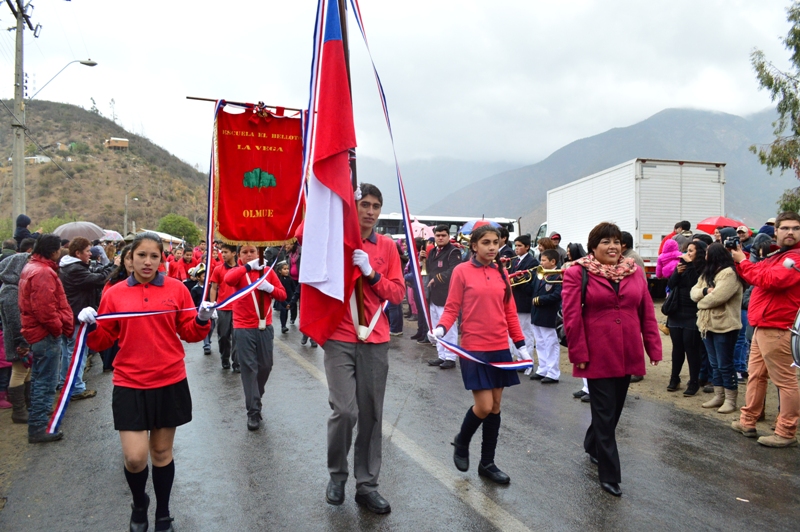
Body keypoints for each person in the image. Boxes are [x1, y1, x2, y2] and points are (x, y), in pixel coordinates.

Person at [80, 231, 212, 532]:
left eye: (155, 256)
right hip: (130, 383)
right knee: (136, 458)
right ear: (130, 259)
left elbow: (189, 333)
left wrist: (203, 319)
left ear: (162, 260)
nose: (148, 261)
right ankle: (140, 503)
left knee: (162, 453)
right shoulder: (113, 294)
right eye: (142, 255)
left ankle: (163, 513)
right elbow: (103, 340)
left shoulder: (177, 290)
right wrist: (89, 326)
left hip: (169, 380)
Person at [562, 222, 661, 497]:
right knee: (605, 413)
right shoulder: (577, 272)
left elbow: (647, 312)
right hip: (597, 353)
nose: (613, 246)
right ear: (593, 247)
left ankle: (592, 443)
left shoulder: (635, 272)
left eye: (616, 241)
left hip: (628, 351)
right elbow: (571, 316)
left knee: (614, 410)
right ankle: (609, 474)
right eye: (606, 242)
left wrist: (653, 347)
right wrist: (578, 353)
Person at [322, 183, 405, 514]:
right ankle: (337, 475)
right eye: (364, 204)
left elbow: (397, 294)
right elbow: (303, 231)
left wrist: (372, 274)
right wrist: (337, 198)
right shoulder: (335, 239)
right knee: (345, 410)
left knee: (371, 414)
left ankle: (367, 485)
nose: (370, 211)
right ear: (352, 207)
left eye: (376, 206)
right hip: (339, 337)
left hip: (375, 338)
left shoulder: (386, 247)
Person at [430, 223, 528, 485]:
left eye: (496, 242)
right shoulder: (461, 272)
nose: (492, 247)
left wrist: (520, 345)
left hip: (499, 348)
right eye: (486, 242)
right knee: (483, 406)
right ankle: (462, 441)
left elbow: (510, 313)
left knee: (495, 407)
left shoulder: (501, 272)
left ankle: (487, 463)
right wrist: (441, 328)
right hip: (474, 348)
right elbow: (451, 308)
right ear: (474, 246)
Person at [731, 212, 800, 447]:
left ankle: (786, 431)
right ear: (777, 231)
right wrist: (740, 260)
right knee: (756, 375)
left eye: (796, 228)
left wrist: (743, 261)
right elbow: (755, 277)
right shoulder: (778, 255)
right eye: (785, 228)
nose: (790, 232)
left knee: (785, 381)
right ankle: (748, 420)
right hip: (762, 324)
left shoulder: (795, 259)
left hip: (780, 326)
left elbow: (771, 280)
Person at [18, 234, 74, 443]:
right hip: (45, 334)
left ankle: (39, 421)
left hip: (37, 332)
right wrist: (59, 328)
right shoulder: (42, 273)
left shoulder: (31, 268)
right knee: (45, 381)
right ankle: (39, 427)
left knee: (41, 379)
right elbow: (45, 310)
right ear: (53, 251)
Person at [224, 245, 287, 431]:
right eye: (245, 252)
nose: (249, 255)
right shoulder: (239, 272)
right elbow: (228, 280)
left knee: (266, 366)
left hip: (264, 325)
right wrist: (249, 267)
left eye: (252, 251)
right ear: (239, 256)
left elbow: (282, 295)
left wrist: (269, 288)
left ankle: (255, 397)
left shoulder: (268, 272)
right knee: (249, 369)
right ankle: (253, 411)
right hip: (243, 327)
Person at [690, 243, 744, 414]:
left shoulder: (729, 274)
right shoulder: (708, 273)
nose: (705, 254)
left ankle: (730, 399)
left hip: (725, 326)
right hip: (707, 325)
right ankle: (718, 395)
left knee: (725, 364)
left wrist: (700, 302)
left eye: (707, 252)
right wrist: (705, 291)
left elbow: (718, 297)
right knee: (714, 363)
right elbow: (693, 292)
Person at [58, 237, 114, 401]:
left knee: (68, 352)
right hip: (77, 317)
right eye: (88, 251)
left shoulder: (70, 266)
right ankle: (75, 388)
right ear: (78, 253)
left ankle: (65, 383)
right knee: (76, 353)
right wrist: (115, 266)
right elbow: (97, 279)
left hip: (70, 315)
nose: (90, 254)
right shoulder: (74, 269)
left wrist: (110, 265)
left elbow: (94, 274)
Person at [665, 241, 707, 395]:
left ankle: (694, 381)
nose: (687, 254)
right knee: (677, 348)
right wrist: (677, 272)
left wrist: (689, 265)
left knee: (691, 348)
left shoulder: (703, 268)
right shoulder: (681, 266)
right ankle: (674, 378)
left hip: (692, 313)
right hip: (677, 311)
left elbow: (694, 284)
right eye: (687, 251)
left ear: (699, 253)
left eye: (691, 251)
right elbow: (671, 284)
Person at [424, 224, 463, 369]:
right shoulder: (433, 251)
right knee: (436, 327)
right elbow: (430, 269)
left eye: (443, 235)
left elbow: (455, 269)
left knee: (449, 328)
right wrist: (423, 260)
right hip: (434, 294)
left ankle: (451, 357)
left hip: (447, 294)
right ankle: (441, 355)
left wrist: (439, 278)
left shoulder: (453, 251)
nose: (440, 238)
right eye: (438, 235)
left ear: (448, 236)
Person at [0, 250, 32, 423]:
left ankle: (28, 406)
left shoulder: (15, 288)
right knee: (19, 371)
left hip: (21, 338)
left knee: (25, 371)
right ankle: (19, 411)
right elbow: (14, 321)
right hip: (17, 339)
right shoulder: (10, 291)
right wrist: (22, 342)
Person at [529, 249, 562, 383]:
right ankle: (543, 368)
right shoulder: (541, 274)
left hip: (549, 314)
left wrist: (540, 300)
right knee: (541, 343)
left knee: (550, 343)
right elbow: (533, 289)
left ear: (553, 262)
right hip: (537, 313)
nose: (540, 263)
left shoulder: (558, 276)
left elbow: (557, 295)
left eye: (543, 260)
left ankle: (553, 372)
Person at [98, 245, 132, 372]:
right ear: (123, 260)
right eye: (128, 258)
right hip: (119, 338)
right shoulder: (113, 284)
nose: (132, 261)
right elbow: (105, 315)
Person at [509, 234, 538, 365]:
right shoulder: (515, 261)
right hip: (515, 300)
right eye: (516, 245)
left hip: (524, 301)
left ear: (527, 247)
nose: (516, 248)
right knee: (516, 331)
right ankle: (518, 357)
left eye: (520, 246)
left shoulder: (532, 262)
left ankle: (526, 359)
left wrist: (517, 280)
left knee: (525, 332)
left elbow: (530, 282)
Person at [209, 244, 238, 370]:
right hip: (223, 308)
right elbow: (214, 288)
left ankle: (237, 362)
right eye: (222, 252)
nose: (223, 255)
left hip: (238, 309)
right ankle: (225, 357)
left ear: (234, 253)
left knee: (237, 336)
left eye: (226, 252)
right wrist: (213, 305)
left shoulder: (241, 269)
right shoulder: (218, 269)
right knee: (224, 336)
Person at [274, 261, 298, 334]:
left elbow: (294, 288)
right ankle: (283, 326)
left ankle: (292, 318)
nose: (287, 270)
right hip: (282, 299)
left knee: (293, 309)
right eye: (284, 269)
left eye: (287, 269)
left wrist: (295, 297)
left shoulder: (289, 279)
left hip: (290, 298)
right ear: (279, 270)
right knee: (283, 312)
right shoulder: (278, 280)